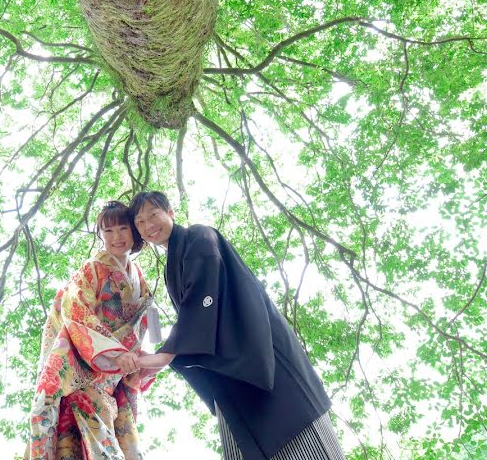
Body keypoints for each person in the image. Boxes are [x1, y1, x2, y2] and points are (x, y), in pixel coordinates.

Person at [127, 191, 345, 460]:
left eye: (154, 215)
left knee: (302, 441)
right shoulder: (171, 266)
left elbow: (204, 290)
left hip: (261, 357)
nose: (148, 226)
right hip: (227, 372)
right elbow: (195, 317)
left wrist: (169, 351)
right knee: (244, 443)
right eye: (140, 222)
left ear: (170, 213)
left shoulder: (199, 235)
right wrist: (166, 354)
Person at [27, 201, 155, 460]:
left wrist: (137, 361)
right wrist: (115, 353)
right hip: (84, 367)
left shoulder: (141, 281)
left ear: (134, 231)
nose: (116, 237)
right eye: (108, 231)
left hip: (113, 378)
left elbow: (141, 332)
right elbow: (76, 313)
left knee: (108, 438)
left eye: (123, 228)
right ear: (100, 236)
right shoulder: (91, 269)